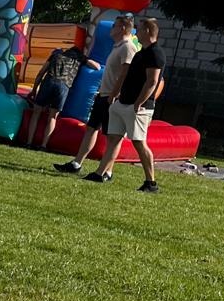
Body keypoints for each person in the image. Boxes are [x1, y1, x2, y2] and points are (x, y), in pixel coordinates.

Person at [87, 15, 166, 191]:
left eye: (140, 28)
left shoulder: (155, 53)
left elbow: (152, 82)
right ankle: (100, 173)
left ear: (147, 31)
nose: (136, 31)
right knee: (113, 138)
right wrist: (118, 95)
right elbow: (130, 78)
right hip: (122, 102)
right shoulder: (140, 53)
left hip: (139, 107)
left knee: (139, 141)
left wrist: (139, 103)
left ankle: (150, 182)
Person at [54, 13, 136, 174]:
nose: (111, 29)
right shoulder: (117, 46)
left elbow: (126, 75)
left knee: (113, 136)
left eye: (114, 26)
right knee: (91, 128)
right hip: (103, 95)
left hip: (113, 98)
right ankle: (77, 163)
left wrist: (114, 95)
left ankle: (107, 171)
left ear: (123, 28)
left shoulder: (128, 47)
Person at [23, 37, 99, 148]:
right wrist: (85, 59)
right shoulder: (79, 58)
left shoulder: (56, 55)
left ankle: (29, 142)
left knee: (36, 113)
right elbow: (96, 67)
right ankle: (43, 145)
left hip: (49, 80)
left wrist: (34, 90)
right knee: (53, 117)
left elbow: (41, 73)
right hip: (64, 85)